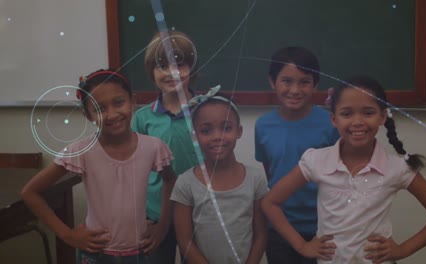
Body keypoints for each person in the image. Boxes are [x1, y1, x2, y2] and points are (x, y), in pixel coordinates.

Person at [261, 75, 426, 263]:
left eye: (368, 112)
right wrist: (302, 246)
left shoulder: (397, 168)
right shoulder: (316, 160)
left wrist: (402, 250)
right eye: (346, 114)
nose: (357, 122)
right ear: (334, 119)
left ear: (382, 116)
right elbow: (270, 202)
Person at [21, 69, 176, 263]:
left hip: (140, 251)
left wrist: (163, 225)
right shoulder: (81, 151)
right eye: (100, 108)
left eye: (119, 102)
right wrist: (67, 235)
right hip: (97, 254)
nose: (111, 114)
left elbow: (170, 180)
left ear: (133, 101)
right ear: (88, 114)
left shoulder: (153, 147)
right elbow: (30, 192)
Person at [255, 46, 340, 263]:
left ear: (315, 85)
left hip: (324, 227)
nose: (295, 90)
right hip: (280, 227)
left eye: (304, 82)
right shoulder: (263, 126)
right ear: (272, 82)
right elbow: (271, 173)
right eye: (287, 81)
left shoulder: (330, 124)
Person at [171, 88, 269, 263]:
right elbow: (184, 241)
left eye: (226, 128)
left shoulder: (256, 180)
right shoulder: (186, 183)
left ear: (238, 131)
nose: (217, 137)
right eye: (206, 131)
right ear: (194, 136)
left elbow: (261, 235)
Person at [132, 30, 200, 263]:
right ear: (151, 72)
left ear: (192, 68)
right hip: (156, 213)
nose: (172, 73)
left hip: (199, 212)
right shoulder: (142, 118)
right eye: (162, 66)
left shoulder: (206, 111)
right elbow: (134, 171)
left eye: (180, 65)